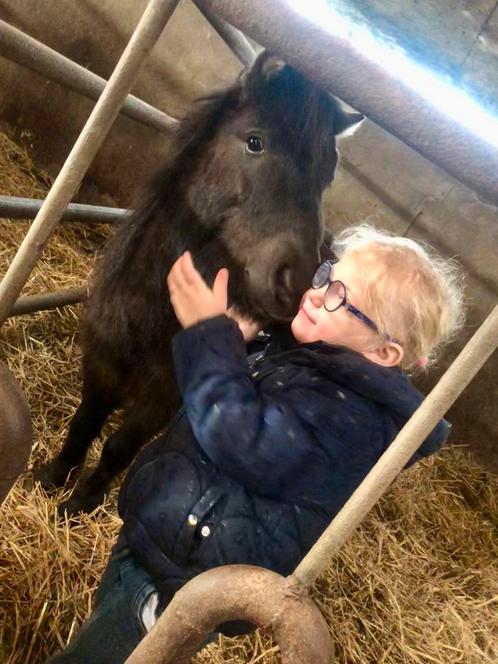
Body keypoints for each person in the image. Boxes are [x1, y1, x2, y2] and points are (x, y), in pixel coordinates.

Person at [49, 225, 465, 663]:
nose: (315, 294)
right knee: (103, 629)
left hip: (184, 581)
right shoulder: (308, 355)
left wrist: (210, 335)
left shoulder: (355, 420)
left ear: (383, 353)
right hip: (165, 540)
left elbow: (241, 438)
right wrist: (238, 342)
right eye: (326, 276)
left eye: (340, 297)